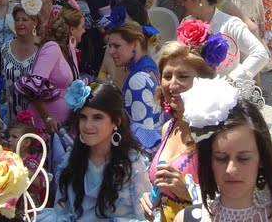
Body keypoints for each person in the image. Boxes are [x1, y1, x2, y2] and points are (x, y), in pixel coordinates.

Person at [178, 77, 272, 222]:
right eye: (221, 158)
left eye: (244, 158)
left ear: (261, 159)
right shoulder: (186, 218)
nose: (231, 170)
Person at [138, 34, 230, 222]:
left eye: (183, 76)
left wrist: (189, 192)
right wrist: (150, 198)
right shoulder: (168, 128)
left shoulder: (214, 134)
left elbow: (235, 197)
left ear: (202, 81)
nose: (173, 84)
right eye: (167, 76)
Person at [40, 82, 151, 222]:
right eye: (83, 117)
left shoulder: (132, 162)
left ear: (116, 121)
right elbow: (61, 212)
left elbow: (144, 216)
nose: (88, 126)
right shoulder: (71, 159)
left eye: (97, 117)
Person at [181, 0, 270, 80]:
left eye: (185, 0)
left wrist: (232, 79)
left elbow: (260, 54)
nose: (182, 4)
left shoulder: (230, 24)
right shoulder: (187, 22)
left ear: (199, 0)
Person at [15, 6, 84, 134]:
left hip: (64, 126)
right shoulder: (52, 48)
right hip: (46, 127)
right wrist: (47, 118)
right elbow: (34, 87)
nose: (84, 31)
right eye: (82, 27)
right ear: (72, 29)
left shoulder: (70, 49)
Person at [104, 17, 162, 152]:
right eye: (110, 46)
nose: (111, 51)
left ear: (134, 44)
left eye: (116, 46)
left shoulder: (138, 80)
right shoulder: (150, 68)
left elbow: (144, 137)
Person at [0, 3, 38, 125]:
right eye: (17, 20)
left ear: (35, 22)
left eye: (24, 19)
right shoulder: (5, 49)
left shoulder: (43, 48)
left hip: (38, 117)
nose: (20, 23)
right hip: (12, 118)